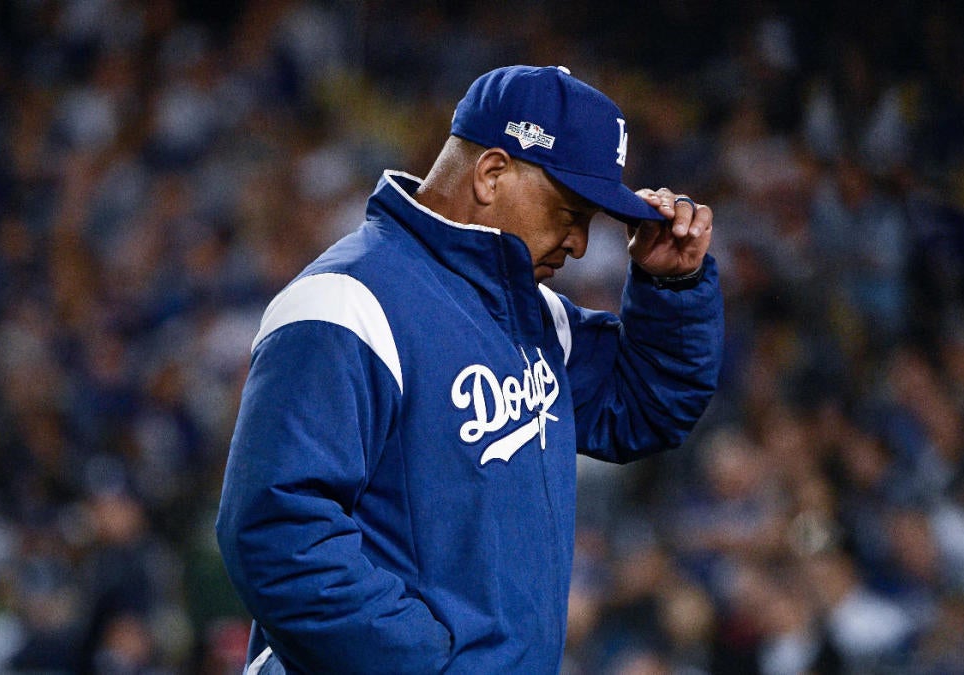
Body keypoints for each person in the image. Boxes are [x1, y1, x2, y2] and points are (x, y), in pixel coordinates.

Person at [216, 65, 724, 674]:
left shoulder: (531, 315)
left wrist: (673, 287)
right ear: (491, 173)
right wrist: (428, 661)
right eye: (571, 212)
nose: (582, 244)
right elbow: (278, 531)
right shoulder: (346, 303)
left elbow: (642, 408)